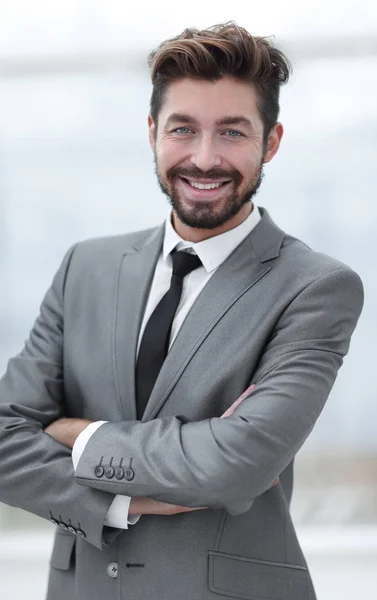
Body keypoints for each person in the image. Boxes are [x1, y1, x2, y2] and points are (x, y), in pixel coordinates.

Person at [0, 21, 363, 600]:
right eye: (184, 129)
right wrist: (118, 501)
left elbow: (236, 465)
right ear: (152, 133)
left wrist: (80, 435)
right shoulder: (84, 268)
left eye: (232, 132)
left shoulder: (315, 287)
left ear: (270, 142)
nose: (204, 157)